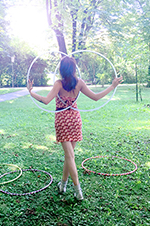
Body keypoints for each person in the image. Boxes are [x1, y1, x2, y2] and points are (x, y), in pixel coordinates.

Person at [27, 56, 121, 200]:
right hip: (75, 120)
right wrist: (112, 86)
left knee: (69, 156)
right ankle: (63, 185)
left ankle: (78, 191)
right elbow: (96, 97)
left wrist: (31, 92)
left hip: (63, 121)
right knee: (69, 156)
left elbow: (46, 101)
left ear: (61, 69)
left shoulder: (58, 84)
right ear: (73, 69)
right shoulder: (79, 83)